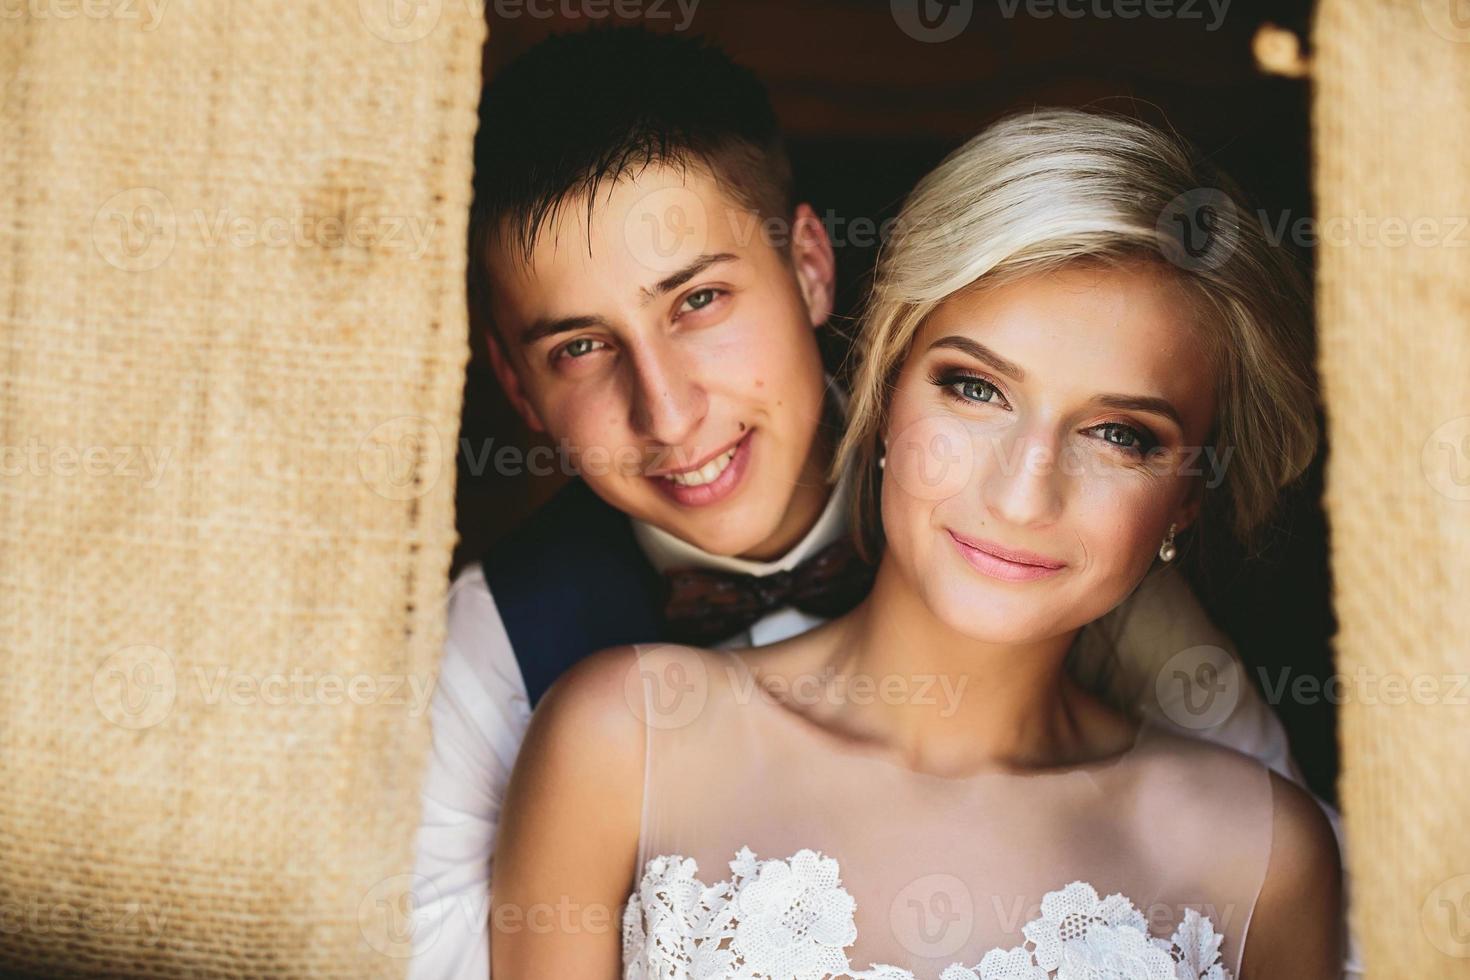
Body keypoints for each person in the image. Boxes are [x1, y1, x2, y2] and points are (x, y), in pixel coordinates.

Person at [408, 29, 1331, 979]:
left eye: (1122, 435)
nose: (669, 412)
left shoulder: (1253, 839)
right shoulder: (529, 677)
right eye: (975, 389)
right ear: (889, 383)